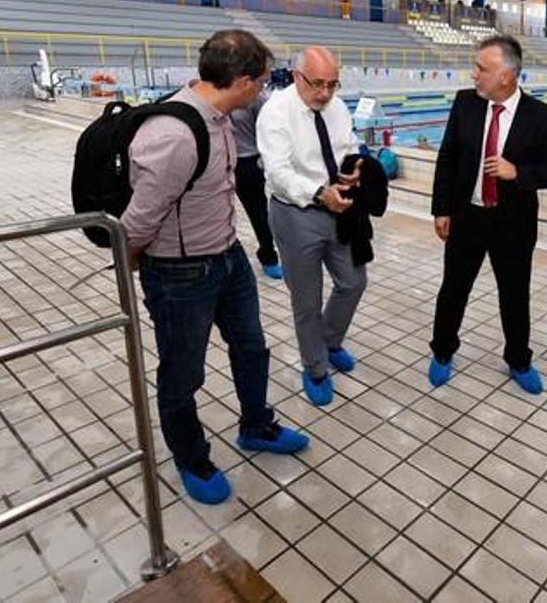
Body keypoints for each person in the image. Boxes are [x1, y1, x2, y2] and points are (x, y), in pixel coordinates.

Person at [122, 29, 308, 505]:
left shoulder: (220, 115)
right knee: (183, 374)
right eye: (261, 82)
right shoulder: (174, 134)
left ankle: (256, 426)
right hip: (180, 273)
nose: (263, 90)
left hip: (228, 256)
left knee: (252, 348)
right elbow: (139, 219)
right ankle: (191, 457)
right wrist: (136, 264)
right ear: (243, 82)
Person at [428, 35, 547, 393]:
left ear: (506, 76)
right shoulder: (465, 103)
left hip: (513, 224)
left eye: (481, 68)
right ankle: (442, 351)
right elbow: (447, 157)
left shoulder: (541, 117)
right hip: (468, 217)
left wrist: (518, 173)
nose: (473, 74)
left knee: (514, 295)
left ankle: (519, 359)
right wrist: (441, 208)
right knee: (453, 289)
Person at [257, 46, 365, 407]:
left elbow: (349, 145)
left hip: (339, 207)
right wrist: (319, 194)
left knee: (353, 281)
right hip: (295, 213)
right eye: (317, 84)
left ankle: (329, 341)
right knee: (307, 298)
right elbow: (278, 172)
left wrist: (355, 167)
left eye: (332, 84)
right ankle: (315, 366)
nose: (324, 93)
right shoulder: (276, 111)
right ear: (296, 76)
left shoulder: (337, 107)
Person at [230, 90, 283, 279]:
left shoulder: (254, 96)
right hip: (219, 161)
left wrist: (264, 160)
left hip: (247, 161)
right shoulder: (212, 94)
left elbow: (269, 131)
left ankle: (269, 256)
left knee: (259, 214)